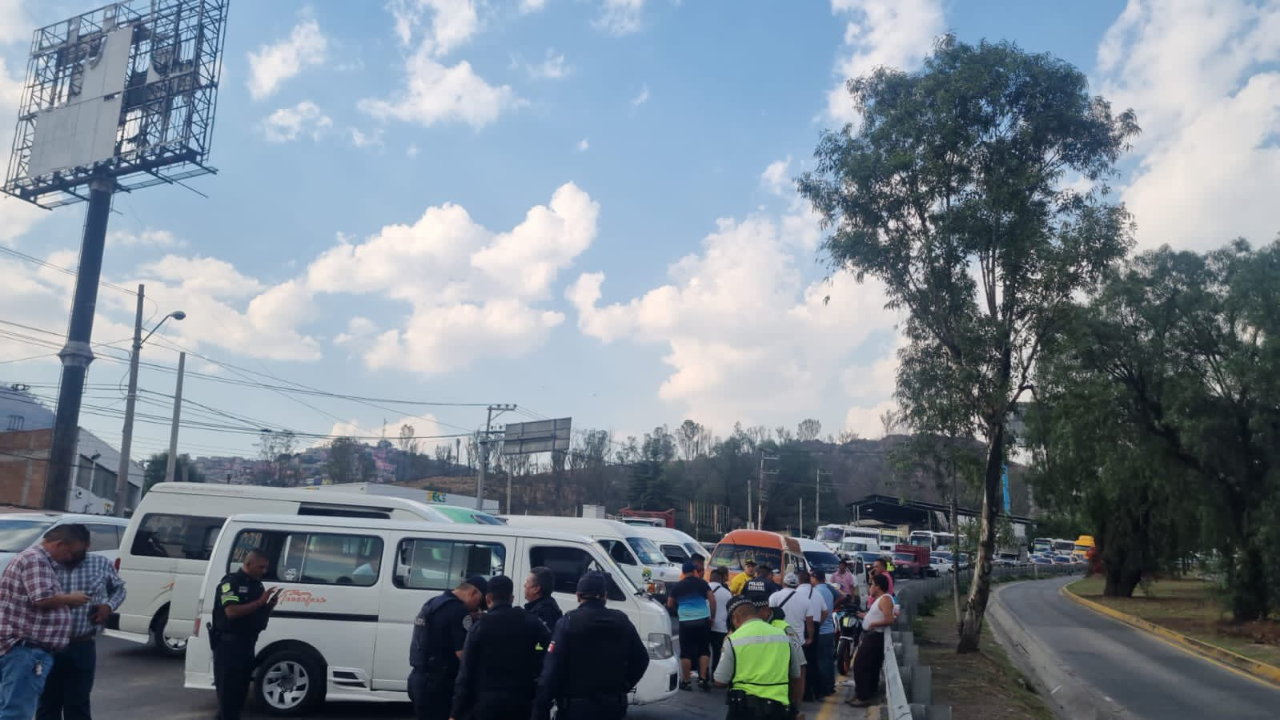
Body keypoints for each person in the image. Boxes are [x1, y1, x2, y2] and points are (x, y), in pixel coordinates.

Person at [0, 525, 91, 720]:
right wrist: (70, 599)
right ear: (58, 544)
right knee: (16, 712)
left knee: (10, 706)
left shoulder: (36, 560)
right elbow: (41, 599)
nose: (70, 559)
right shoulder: (35, 560)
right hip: (25, 650)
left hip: (22, 650)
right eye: (70, 553)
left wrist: (65, 606)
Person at [533, 572, 649, 720]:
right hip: (612, 705)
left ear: (578, 596)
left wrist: (540, 708)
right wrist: (624, 686)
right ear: (605, 596)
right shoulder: (621, 620)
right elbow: (642, 658)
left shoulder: (568, 622)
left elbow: (551, 670)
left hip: (576, 707)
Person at [35, 534, 127, 720]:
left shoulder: (100, 563)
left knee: (78, 704)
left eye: (76, 550)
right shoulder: (45, 566)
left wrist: (108, 607)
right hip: (48, 646)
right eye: (68, 550)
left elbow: (119, 588)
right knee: (47, 703)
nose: (70, 555)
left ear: (86, 545)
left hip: (82, 644)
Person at [451, 576, 550, 720]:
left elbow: (466, 672)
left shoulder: (480, 626)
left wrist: (456, 713)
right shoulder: (532, 622)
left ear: (488, 599)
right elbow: (546, 650)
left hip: (486, 703)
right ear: (511, 598)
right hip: (521, 702)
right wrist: (535, 651)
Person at [210, 548, 279, 720]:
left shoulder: (257, 585)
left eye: (266, 568)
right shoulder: (230, 583)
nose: (264, 571)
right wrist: (259, 602)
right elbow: (231, 612)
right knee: (227, 698)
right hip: (228, 647)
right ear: (248, 564)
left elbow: (257, 616)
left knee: (239, 697)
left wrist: (269, 606)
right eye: (261, 567)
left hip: (247, 646)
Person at [408, 576, 487, 720]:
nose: (478, 608)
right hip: (439, 683)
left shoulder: (433, 603)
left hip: (418, 678)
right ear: (473, 593)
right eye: (479, 603)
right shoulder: (458, 610)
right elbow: (462, 653)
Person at [714, 593, 804, 720]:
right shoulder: (783, 636)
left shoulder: (733, 640)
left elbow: (720, 681)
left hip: (743, 711)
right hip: (779, 710)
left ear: (735, 618)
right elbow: (795, 674)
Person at [847, 574, 894, 707]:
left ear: (878, 586)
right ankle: (863, 693)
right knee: (868, 667)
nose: (870, 587)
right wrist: (865, 616)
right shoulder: (880, 599)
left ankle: (863, 696)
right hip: (871, 636)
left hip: (874, 637)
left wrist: (873, 624)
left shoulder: (885, 599)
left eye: (871, 584)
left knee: (861, 665)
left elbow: (889, 619)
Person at [667, 561, 715, 691]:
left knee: (686, 652)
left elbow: (670, 604)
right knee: (704, 650)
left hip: (686, 621)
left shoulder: (678, 586)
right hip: (703, 620)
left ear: (683, 572)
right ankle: (703, 679)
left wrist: (679, 607)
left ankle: (686, 681)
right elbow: (712, 599)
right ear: (694, 571)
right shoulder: (702, 583)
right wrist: (712, 617)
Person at [810, 570, 844, 699]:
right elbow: (843, 596)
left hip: (821, 631)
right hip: (830, 630)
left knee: (821, 661)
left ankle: (823, 688)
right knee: (829, 660)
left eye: (811, 577)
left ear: (815, 578)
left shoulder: (815, 592)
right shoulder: (828, 589)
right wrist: (833, 606)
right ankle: (830, 686)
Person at [708, 568, 733, 676]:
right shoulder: (727, 593)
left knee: (704, 652)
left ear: (710, 578)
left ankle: (702, 675)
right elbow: (730, 612)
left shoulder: (704, 589)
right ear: (721, 579)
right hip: (721, 628)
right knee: (718, 653)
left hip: (705, 625)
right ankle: (715, 674)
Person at [523, 567, 563, 632]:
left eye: (527, 582)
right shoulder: (547, 606)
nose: (524, 585)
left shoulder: (543, 614)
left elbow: (538, 641)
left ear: (536, 589)